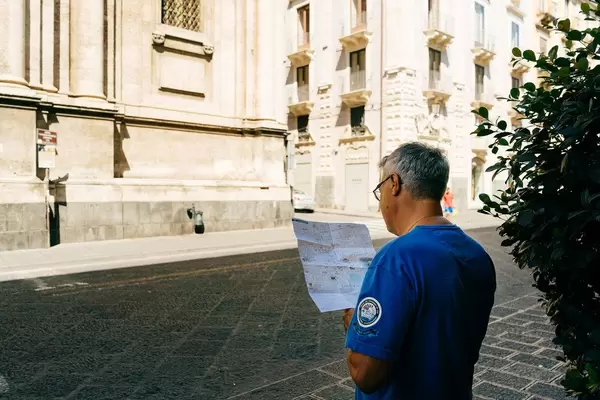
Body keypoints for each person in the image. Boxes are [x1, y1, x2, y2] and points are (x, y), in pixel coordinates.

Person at [342, 142, 496, 399]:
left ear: (394, 184)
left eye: (380, 190)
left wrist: (352, 321)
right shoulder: (477, 254)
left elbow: (365, 374)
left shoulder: (396, 258)